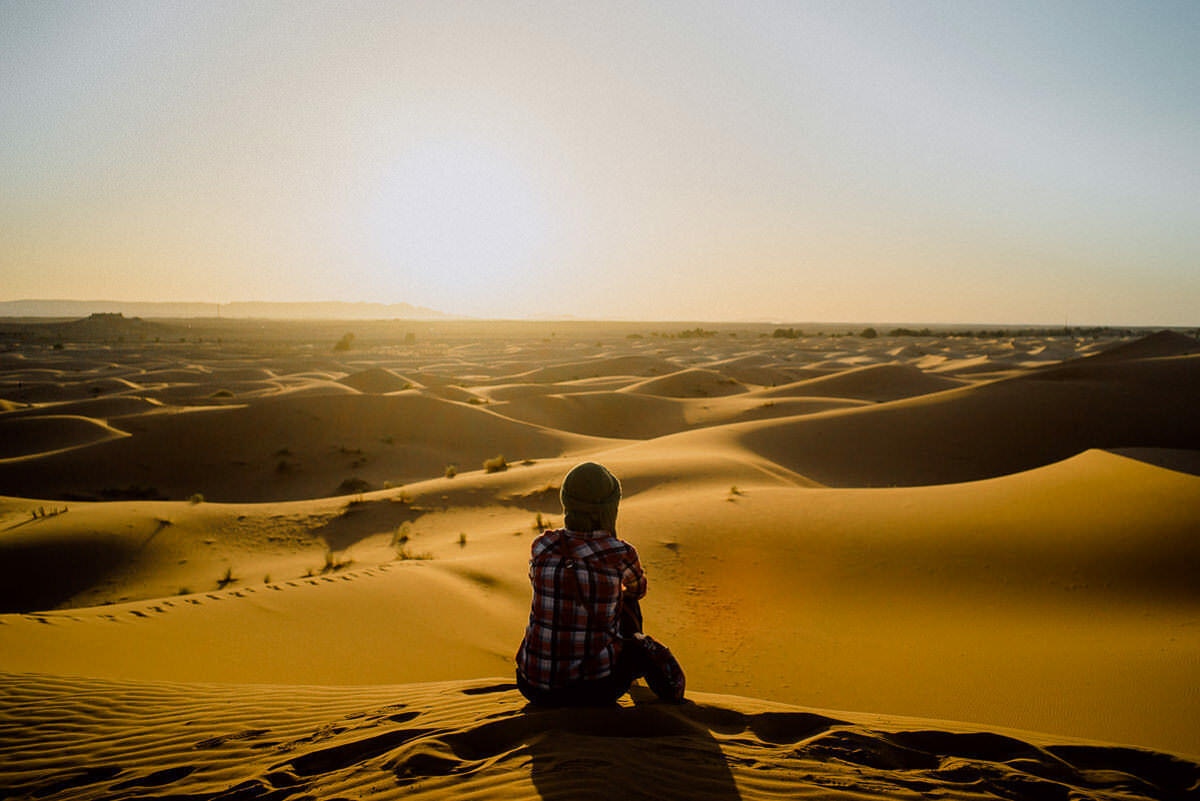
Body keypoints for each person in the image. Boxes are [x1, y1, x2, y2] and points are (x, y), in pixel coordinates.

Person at [516, 462, 671, 706]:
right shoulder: (622, 553)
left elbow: (536, 581)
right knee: (629, 604)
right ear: (610, 508)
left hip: (532, 686)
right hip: (594, 691)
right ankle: (658, 707)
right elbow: (638, 590)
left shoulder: (542, 546)